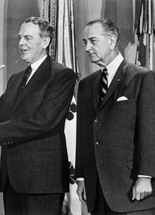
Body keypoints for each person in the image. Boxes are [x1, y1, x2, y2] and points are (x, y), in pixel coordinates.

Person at [0, 17, 76, 215]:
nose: (21, 43)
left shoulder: (61, 75)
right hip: (12, 180)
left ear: (45, 42)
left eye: (27, 38)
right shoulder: (16, 79)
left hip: (42, 181)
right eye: (20, 38)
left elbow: (44, 121)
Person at [75, 18, 155, 215]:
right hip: (96, 190)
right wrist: (82, 178)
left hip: (132, 190)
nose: (87, 48)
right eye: (85, 42)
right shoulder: (86, 85)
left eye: (93, 41)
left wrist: (146, 176)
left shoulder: (142, 78)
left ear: (111, 41)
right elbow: (83, 136)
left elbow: (149, 131)